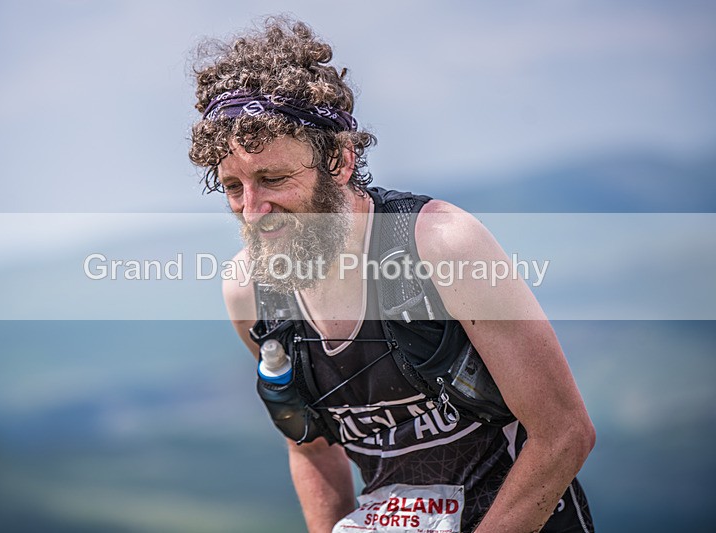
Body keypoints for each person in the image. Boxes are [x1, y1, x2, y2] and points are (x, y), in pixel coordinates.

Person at [189, 17, 596, 533]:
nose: (252, 210)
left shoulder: (441, 245)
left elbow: (564, 434)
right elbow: (311, 445)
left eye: (273, 178)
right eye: (233, 187)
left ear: (339, 160)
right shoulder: (251, 292)